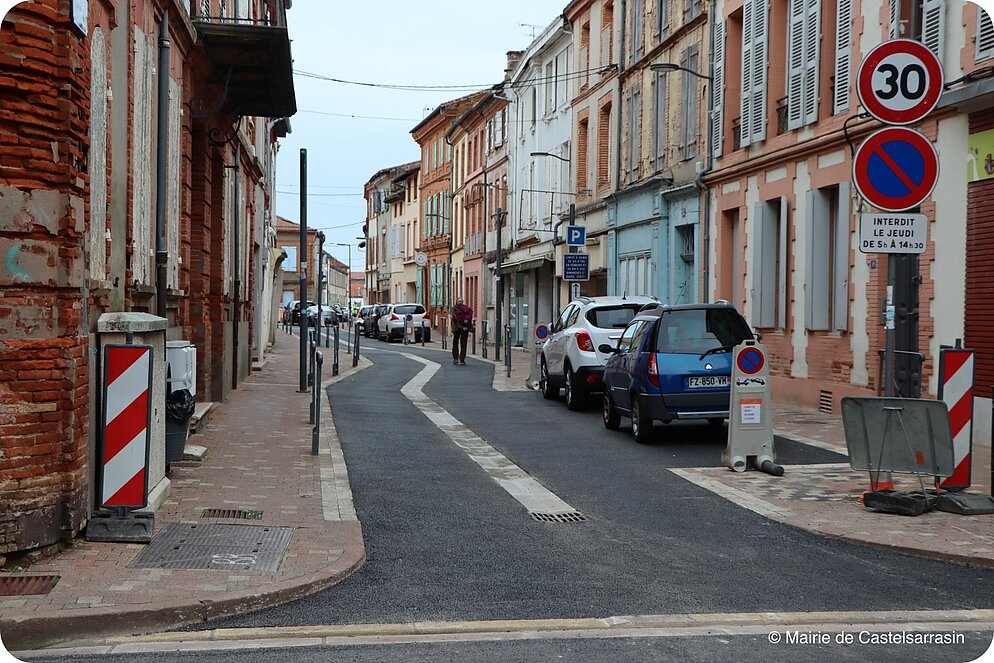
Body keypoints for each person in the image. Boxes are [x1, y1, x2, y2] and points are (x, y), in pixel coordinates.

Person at [451, 297, 474, 365]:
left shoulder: (454, 308)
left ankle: (455, 358)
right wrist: (466, 326)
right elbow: (469, 319)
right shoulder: (466, 308)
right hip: (465, 328)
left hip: (456, 329)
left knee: (455, 343)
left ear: (456, 302)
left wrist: (460, 326)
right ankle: (462, 359)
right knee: (464, 344)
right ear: (462, 302)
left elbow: (455, 318)